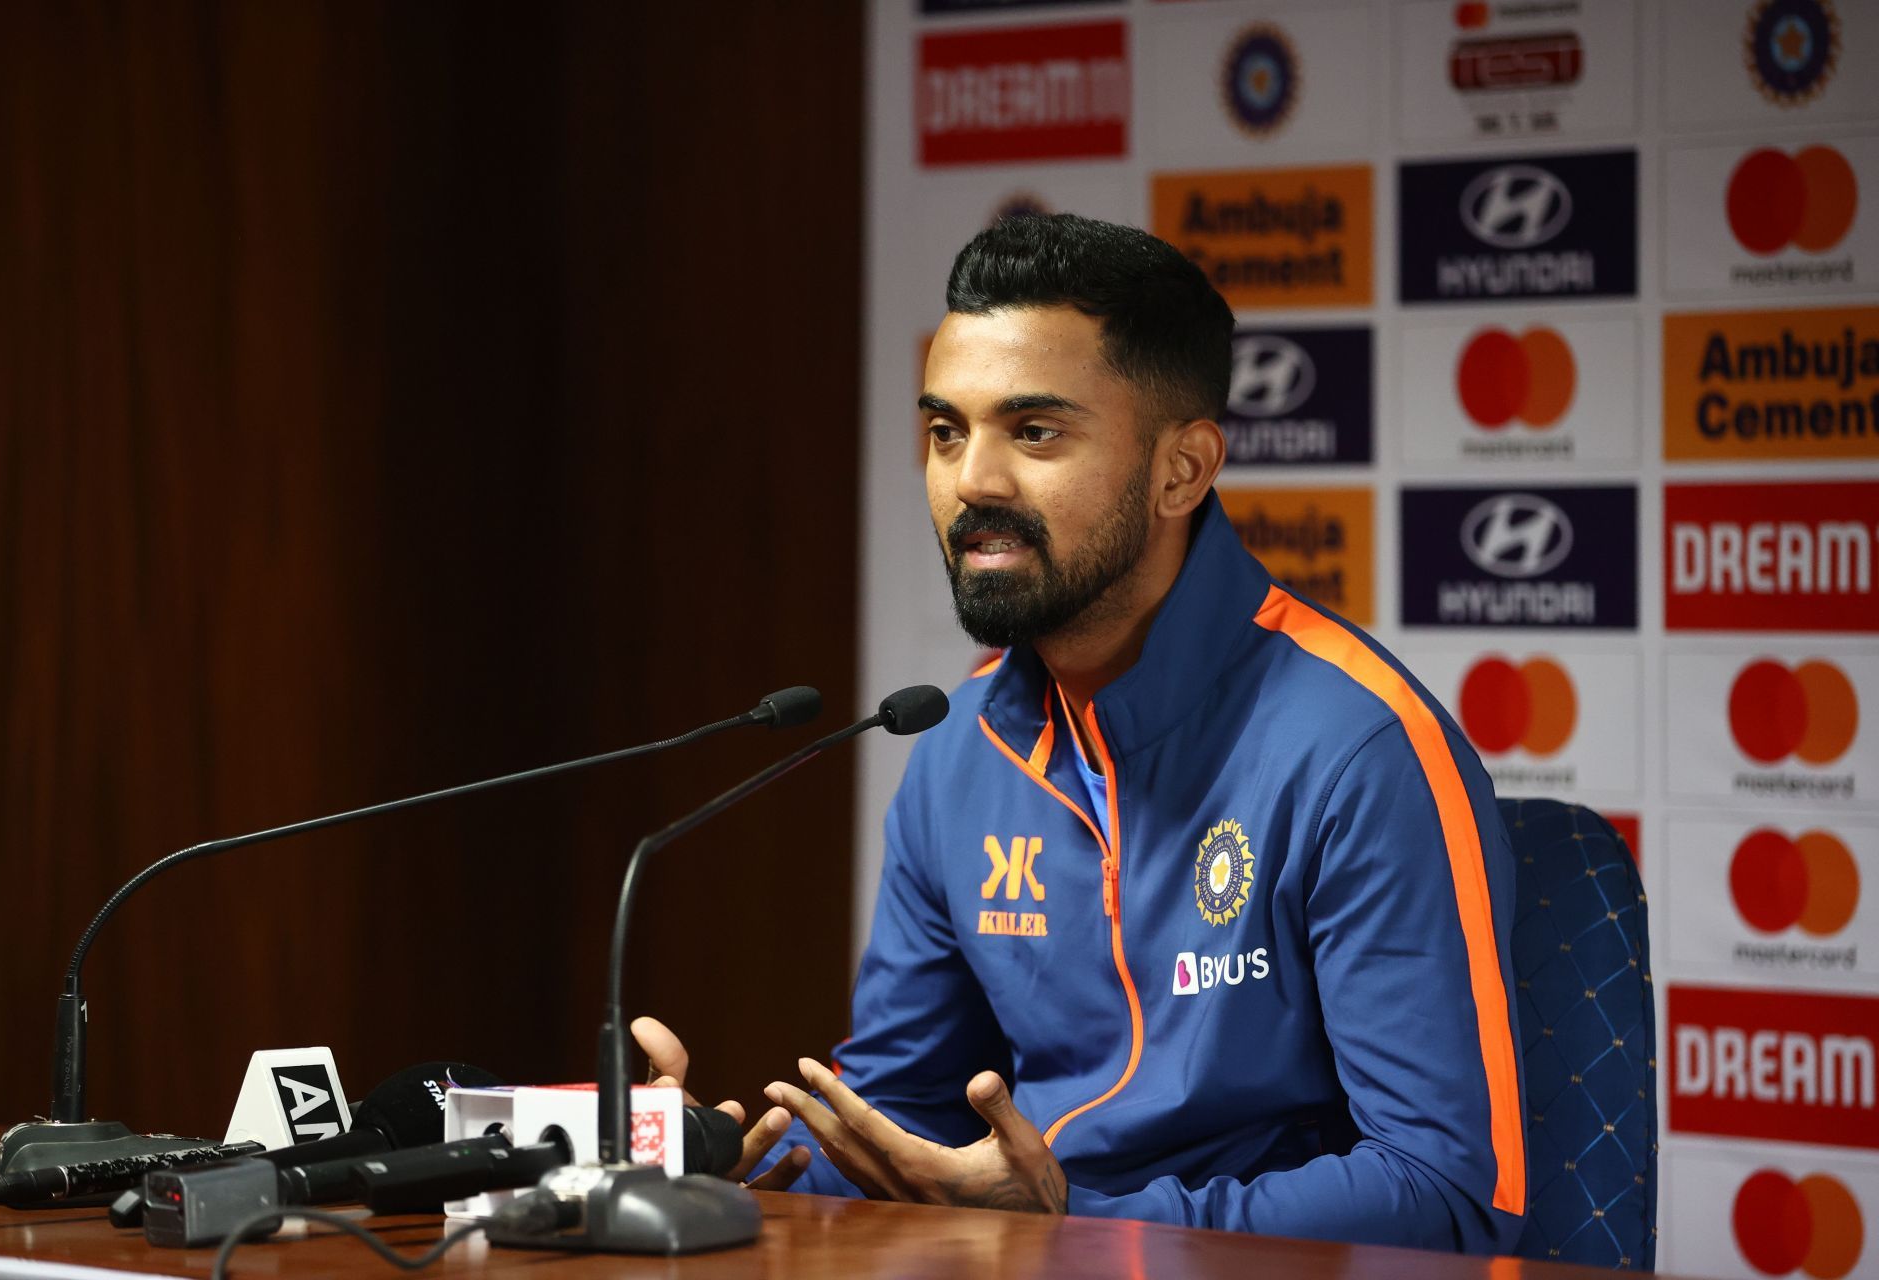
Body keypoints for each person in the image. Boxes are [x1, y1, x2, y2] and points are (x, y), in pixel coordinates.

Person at [636, 213, 1526, 1252]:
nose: (974, 480)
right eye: (945, 430)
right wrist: (721, 1165)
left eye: (1035, 431)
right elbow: (899, 1121)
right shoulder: (958, 746)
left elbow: (1449, 1197)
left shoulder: (1359, 747)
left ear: (1182, 471)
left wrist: (1076, 1223)